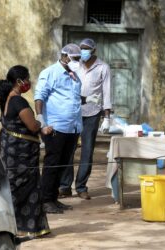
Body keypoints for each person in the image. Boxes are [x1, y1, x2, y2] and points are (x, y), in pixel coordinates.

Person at [34, 43, 99, 213]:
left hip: (73, 127)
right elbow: (39, 97)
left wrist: (88, 99)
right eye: (76, 58)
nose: (79, 61)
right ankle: (45, 200)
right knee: (52, 163)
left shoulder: (74, 74)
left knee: (62, 165)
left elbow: (72, 97)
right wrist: (41, 120)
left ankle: (53, 198)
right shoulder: (50, 73)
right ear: (65, 57)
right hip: (55, 127)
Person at [0, 65, 52, 237]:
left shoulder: (6, 98)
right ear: (19, 81)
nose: (29, 82)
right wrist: (41, 124)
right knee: (27, 188)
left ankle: (15, 226)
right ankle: (29, 227)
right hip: (21, 155)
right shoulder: (19, 101)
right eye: (27, 79)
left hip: (11, 152)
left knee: (13, 187)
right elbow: (32, 125)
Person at [59, 38, 112, 200]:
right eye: (81, 49)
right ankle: (65, 186)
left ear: (94, 50)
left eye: (86, 49)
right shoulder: (75, 65)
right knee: (68, 149)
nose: (83, 52)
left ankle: (81, 186)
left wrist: (107, 117)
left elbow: (107, 91)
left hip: (92, 113)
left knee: (87, 151)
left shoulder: (103, 67)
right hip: (73, 112)